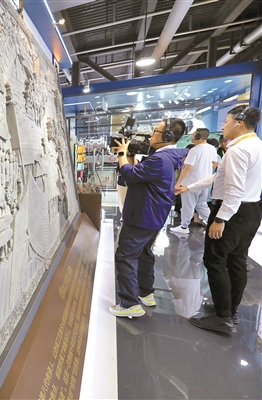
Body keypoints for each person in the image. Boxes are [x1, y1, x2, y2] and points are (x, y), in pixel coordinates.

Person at [175, 105, 262, 333]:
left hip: (232, 212)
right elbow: (218, 177)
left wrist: (221, 218)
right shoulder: (256, 145)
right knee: (236, 259)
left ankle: (222, 317)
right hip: (251, 210)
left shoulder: (237, 150)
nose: (223, 126)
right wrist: (189, 187)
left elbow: (234, 190)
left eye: (226, 121)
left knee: (214, 260)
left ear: (238, 123)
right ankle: (230, 309)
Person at [110, 118, 189, 317]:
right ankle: (146, 293)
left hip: (142, 216)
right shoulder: (168, 157)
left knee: (125, 256)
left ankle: (129, 304)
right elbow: (140, 174)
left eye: (155, 131)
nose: (151, 135)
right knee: (144, 253)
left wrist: (122, 154)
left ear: (167, 136)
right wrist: (130, 156)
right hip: (154, 215)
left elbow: (130, 176)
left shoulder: (159, 159)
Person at [170, 128, 217, 234]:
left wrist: (178, 183)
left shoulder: (194, 150)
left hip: (190, 183)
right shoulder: (212, 149)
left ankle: (184, 227)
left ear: (198, 136)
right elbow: (213, 165)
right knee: (201, 205)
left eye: (194, 134)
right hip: (205, 182)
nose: (192, 136)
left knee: (187, 206)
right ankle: (212, 223)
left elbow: (188, 168)